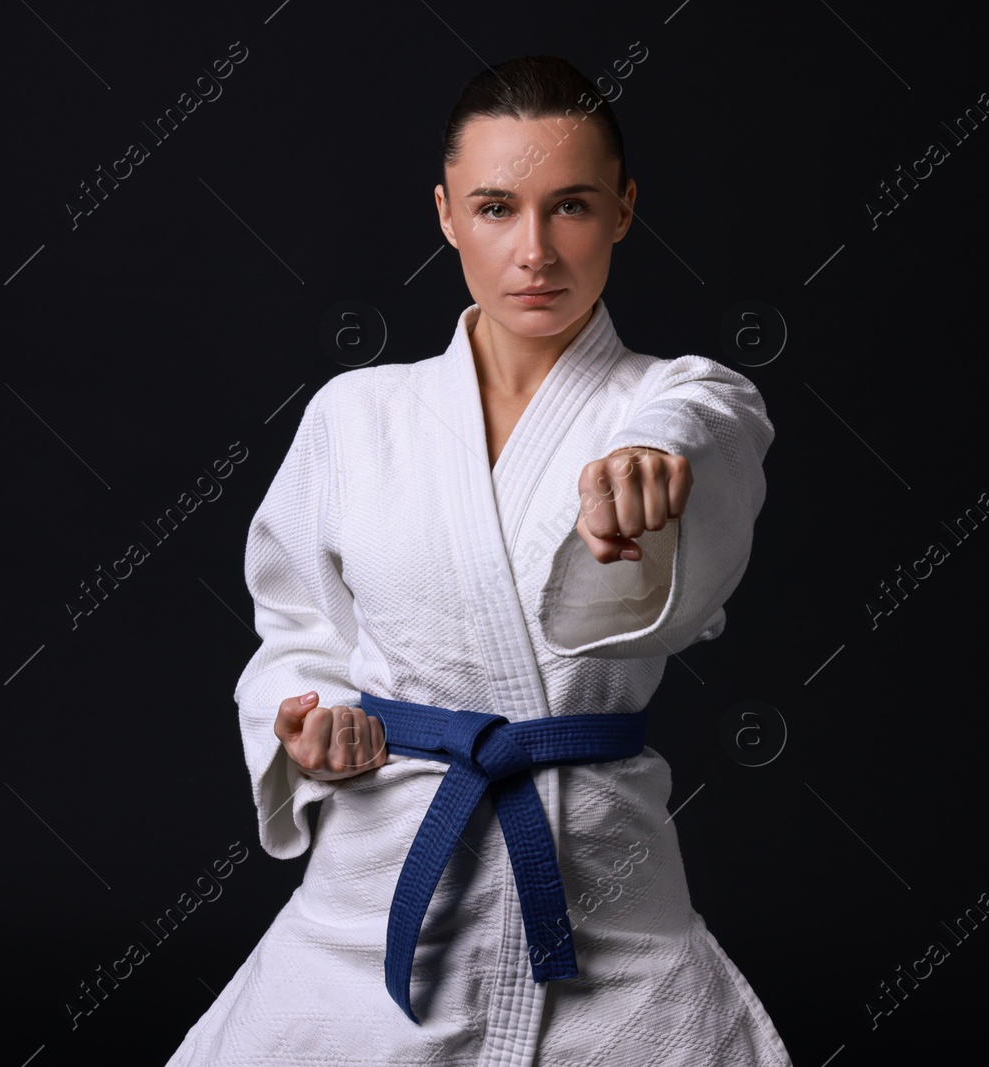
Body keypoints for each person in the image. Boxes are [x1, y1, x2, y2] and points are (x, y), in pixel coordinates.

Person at [164, 54, 790, 1067]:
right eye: (497, 207)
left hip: (604, 899)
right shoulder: (356, 415)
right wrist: (309, 725)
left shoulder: (678, 400)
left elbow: (704, 428)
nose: (534, 251)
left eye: (572, 206)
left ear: (624, 210)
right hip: (381, 887)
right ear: (448, 214)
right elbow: (297, 632)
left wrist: (649, 457)